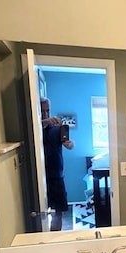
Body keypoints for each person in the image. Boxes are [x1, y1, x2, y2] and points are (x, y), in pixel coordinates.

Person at [40, 97, 74, 231]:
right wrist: (45, 121)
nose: (46, 114)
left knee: (58, 212)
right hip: (41, 179)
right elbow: (33, 125)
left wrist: (70, 144)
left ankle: (54, 239)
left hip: (57, 177)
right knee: (42, 213)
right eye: (42, 112)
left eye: (48, 111)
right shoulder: (36, 130)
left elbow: (70, 145)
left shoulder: (57, 129)